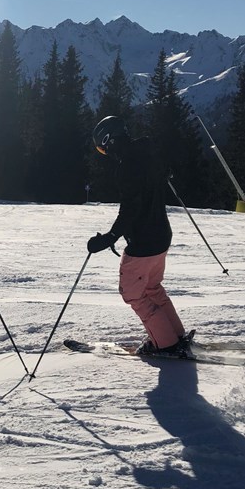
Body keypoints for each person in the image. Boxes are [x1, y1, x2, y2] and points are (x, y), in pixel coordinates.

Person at [87, 116, 189, 356]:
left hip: (143, 242)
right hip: (161, 236)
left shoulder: (127, 165)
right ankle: (175, 335)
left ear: (109, 140)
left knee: (132, 293)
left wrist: (110, 237)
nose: (105, 153)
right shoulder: (148, 154)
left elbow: (131, 208)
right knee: (153, 288)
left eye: (103, 149)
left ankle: (165, 343)